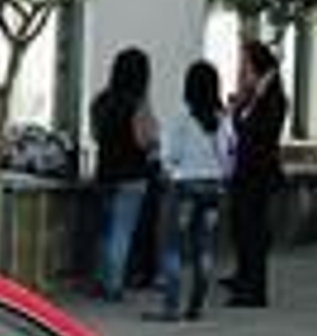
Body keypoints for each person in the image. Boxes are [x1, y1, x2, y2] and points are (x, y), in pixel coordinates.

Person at [146, 61, 231, 322]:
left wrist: (168, 170)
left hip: (184, 187)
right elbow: (230, 153)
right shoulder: (222, 119)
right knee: (203, 248)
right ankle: (196, 306)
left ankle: (171, 307)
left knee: (172, 248)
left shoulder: (181, 117)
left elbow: (170, 154)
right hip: (214, 189)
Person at [90, 47, 159, 302]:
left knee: (104, 230)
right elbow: (146, 140)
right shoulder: (137, 104)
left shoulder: (100, 101)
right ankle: (113, 285)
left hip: (105, 170)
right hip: (132, 175)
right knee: (122, 232)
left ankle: (99, 280)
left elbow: (96, 135)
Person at [223, 39, 288, 308]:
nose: (241, 70)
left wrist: (243, 108)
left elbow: (258, 135)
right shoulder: (253, 95)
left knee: (253, 231)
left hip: (257, 174)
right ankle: (243, 277)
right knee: (241, 228)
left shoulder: (272, 97)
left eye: (246, 64)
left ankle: (254, 290)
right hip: (244, 173)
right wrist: (240, 104)